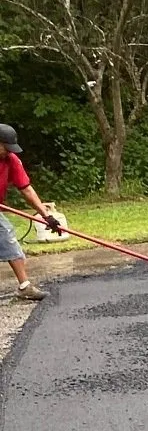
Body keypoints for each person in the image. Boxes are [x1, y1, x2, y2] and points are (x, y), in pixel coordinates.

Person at [0, 124, 62, 302]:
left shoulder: (11, 160)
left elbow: (26, 189)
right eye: (5, 147)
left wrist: (46, 216)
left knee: (7, 236)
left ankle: (25, 287)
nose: (8, 152)